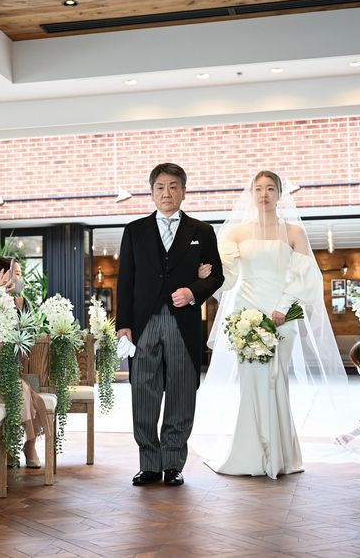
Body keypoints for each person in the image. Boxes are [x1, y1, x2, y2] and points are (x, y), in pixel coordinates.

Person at [198, 170, 347, 479]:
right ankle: (251, 454)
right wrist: (206, 277)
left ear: (280, 194)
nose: (264, 194)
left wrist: (283, 306)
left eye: (270, 188)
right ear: (252, 194)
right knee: (251, 385)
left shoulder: (294, 232)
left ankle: (280, 456)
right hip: (246, 317)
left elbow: (304, 275)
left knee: (277, 381)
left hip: (282, 317)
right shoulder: (237, 233)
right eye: (259, 189)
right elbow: (229, 278)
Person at [116, 162, 224, 487]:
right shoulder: (134, 231)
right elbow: (126, 280)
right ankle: (149, 464)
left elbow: (216, 276)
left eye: (173, 187)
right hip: (143, 323)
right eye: (160, 187)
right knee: (143, 391)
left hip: (183, 323)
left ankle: (173, 464)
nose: (167, 193)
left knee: (181, 391)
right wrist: (123, 324)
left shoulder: (202, 232)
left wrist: (193, 291)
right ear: (152, 192)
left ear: (183, 192)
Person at [0, 256, 46, 467]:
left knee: (23, 388)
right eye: (17, 274)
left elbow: (31, 333)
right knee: (23, 391)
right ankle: (25, 445)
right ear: (2, 276)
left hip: (18, 364)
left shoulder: (22, 302)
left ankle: (23, 445)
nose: (21, 278)